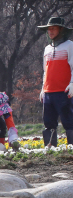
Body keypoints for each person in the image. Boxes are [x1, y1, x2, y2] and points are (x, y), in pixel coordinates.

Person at [38, 17, 73, 147]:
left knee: (69, 121)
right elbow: (45, 71)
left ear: (61, 29)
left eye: (53, 28)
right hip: (48, 92)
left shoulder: (70, 45)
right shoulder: (47, 48)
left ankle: (71, 148)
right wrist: (43, 89)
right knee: (48, 123)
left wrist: (72, 83)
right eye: (49, 29)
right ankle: (51, 148)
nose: (50, 31)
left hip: (64, 91)